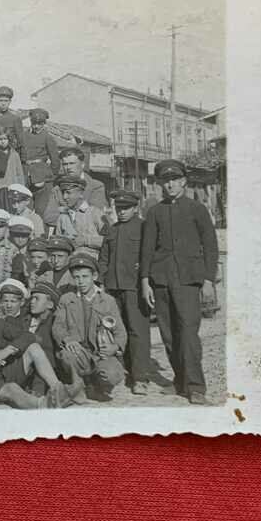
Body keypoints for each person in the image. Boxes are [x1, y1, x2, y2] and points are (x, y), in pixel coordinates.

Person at [140, 159, 218, 404]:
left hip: (187, 280)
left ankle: (196, 386)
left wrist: (208, 279)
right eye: (166, 180)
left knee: (188, 333)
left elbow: (211, 246)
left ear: (184, 181)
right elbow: (147, 249)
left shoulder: (197, 209)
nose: (170, 184)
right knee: (169, 334)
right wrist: (145, 280)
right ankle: (179, 381)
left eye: (175, 179)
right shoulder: (155, 212)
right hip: (161, 279)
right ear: (161, 184)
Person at [0, 282, 82, 409]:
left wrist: (7, 350)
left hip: (5, 371)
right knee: (12, 389)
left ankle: (57, 389)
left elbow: (28, 336)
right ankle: (43, 405)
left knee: (33, 347)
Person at [54, 252, 127, 400]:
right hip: (79, 352)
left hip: (101, 354)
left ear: (94, 277)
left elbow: (120, 332)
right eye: (76, 277)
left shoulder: (108, 301)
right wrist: (68, 340)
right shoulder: (66, 299)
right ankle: (78, 385)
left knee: (113, 374)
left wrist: (114, 347)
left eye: (85, 277)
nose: (80, 281)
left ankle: (97, 384)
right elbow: (57, 327)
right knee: (67, 356)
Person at [100, 190, 150, 395]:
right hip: (113, 287)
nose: (121, 212)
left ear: (136, 208)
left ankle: (141, 378)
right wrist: (102, 280)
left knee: (137, 331)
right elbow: (104, 258)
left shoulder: (144, 228)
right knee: (115, 331)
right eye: (118, 208)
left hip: (134, 286)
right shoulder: (111, 230)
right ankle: (124, 370)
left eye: (126, 208)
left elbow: (149, 256)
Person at [44, 145, 108, 227]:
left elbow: (94, 217)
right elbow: (49, 218)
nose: (68, 167)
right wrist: (78, 211)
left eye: (72, 163)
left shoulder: (96, 186)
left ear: (82, 165)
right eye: (65, 164)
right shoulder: (57, 188)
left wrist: (63, 210)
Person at [54, 174, 106, 257]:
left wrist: (85, 240)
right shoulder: (62, 217)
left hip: (91, 264)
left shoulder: (95, 213)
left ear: (81, 194)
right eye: (63, 193)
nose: (64, 197)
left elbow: (109, 240)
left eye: (68, 193)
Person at [21, 108, 60, 218]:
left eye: (40, 123)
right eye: (34, 123)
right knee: (24, 209)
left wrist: (49, 176)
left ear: (44, 123)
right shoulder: (23, 136)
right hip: (25, 174)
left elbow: (55, 160)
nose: (36, 126)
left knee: (40, 211)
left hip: (41, 176)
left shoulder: (48, 138)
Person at [0, 87, 23, 155]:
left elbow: (20, 141)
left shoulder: (15, 119)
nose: (3, 103)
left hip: (10, 153)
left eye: (6, 101)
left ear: (10, 101)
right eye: (1, 100)